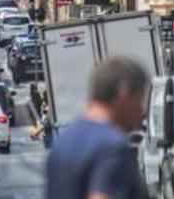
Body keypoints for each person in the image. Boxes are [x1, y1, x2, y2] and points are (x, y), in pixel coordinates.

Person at [46, 57, 149, 199]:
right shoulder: (112, 147)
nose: (142, 110)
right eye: (140, 97)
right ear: (124, 92)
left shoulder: (62, 142)